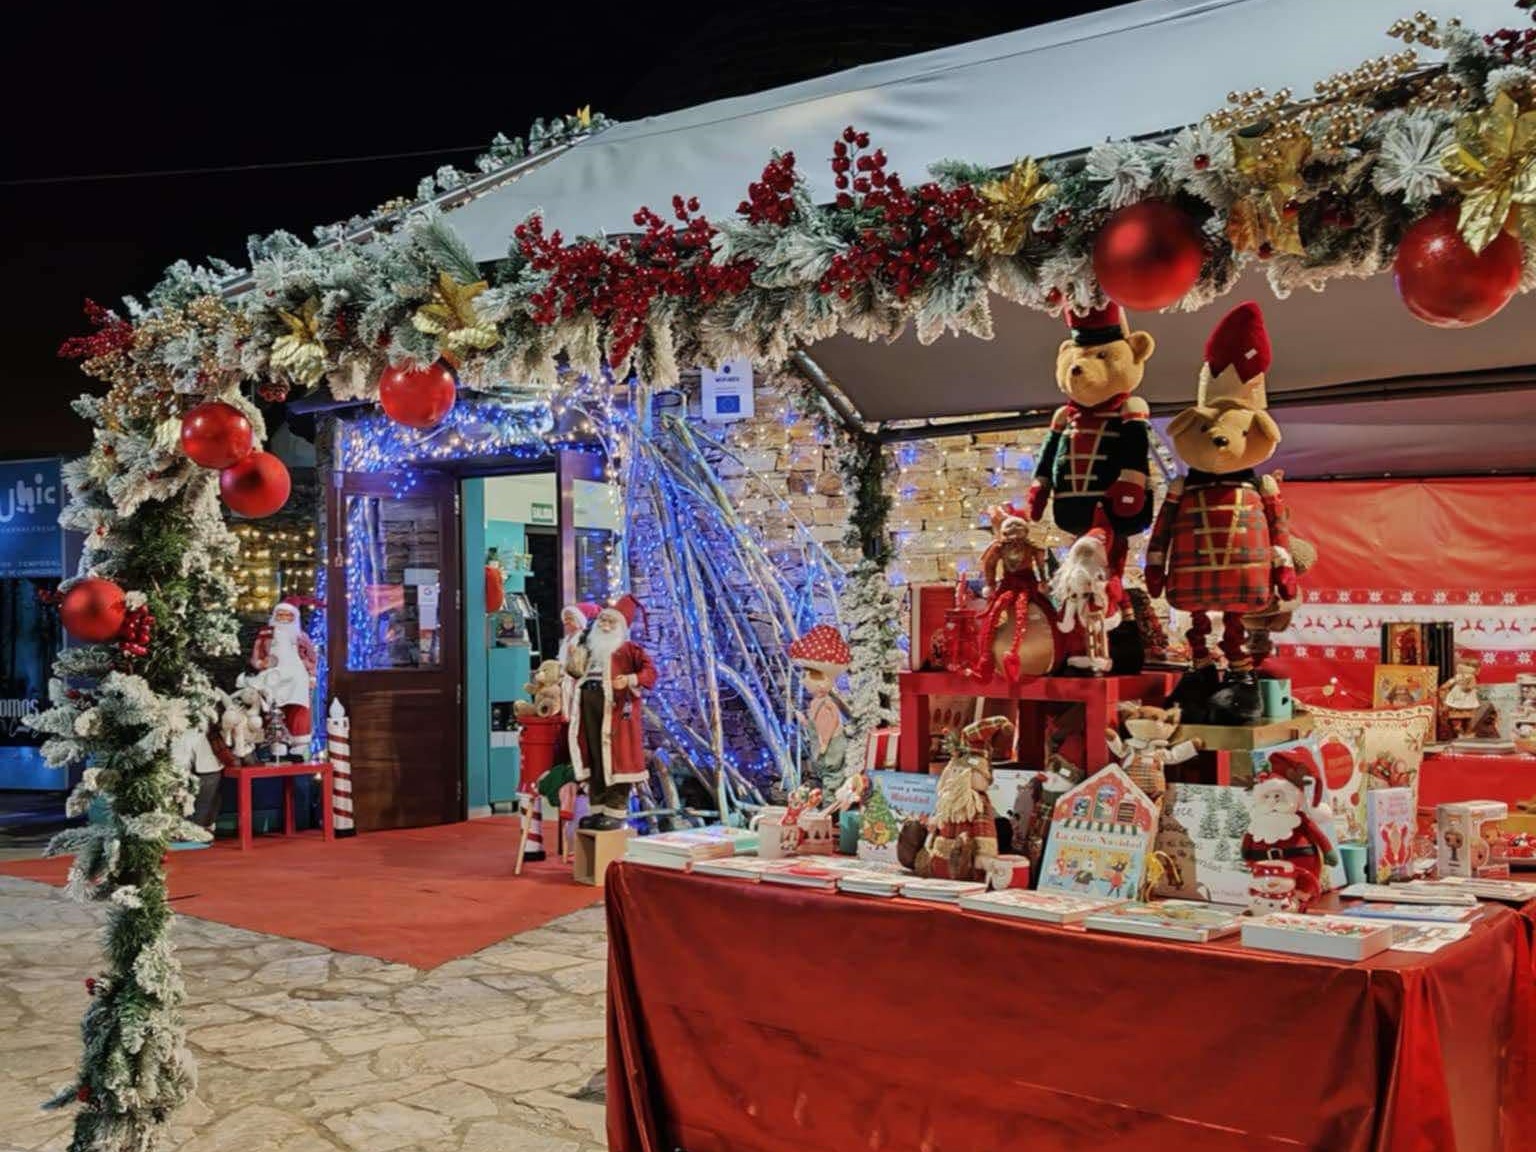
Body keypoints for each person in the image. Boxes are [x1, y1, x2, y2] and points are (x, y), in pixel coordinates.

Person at [565, 595, 658, 830]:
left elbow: (650, 672)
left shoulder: (628, 650)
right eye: (602, 621)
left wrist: (629, 679)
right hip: (589, 711)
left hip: (616, 715)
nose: (605, 626)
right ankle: (598, 809)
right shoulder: (590, 647)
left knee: (617, 761)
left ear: (621, 627)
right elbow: (575, 672)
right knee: (595, 758)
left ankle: (615, 812)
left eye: (611, 623)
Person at [250, 599, 317, 760]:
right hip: (275, 677)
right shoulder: (266, 634)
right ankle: (277, 742)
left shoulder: (301, 636)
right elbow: (257, 655)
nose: (284, 618)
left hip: (297, 678)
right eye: (281, 615)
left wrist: (312, 675)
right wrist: (262, 663)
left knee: (300, 709)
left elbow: (312, 657)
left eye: (289, 615)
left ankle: (299, 742)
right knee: (275, 709)